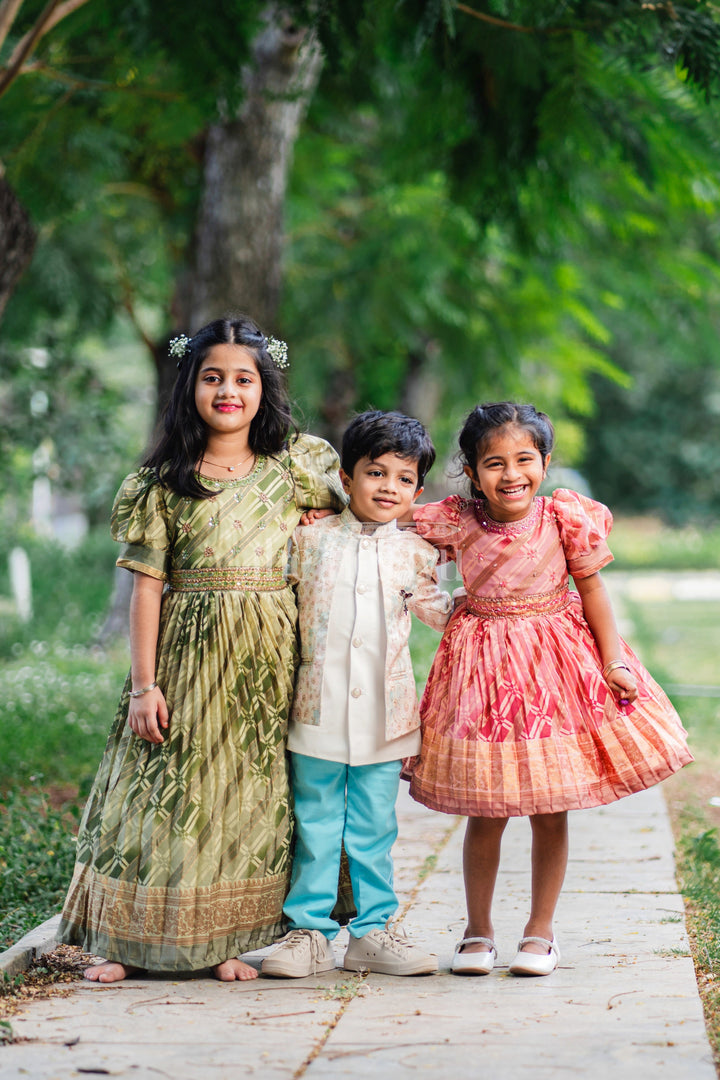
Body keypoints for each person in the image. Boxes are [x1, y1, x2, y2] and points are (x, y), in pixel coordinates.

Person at [58, 315, 346, 984]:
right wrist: (142, 683)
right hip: (186, 654)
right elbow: (147, 589)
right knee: (161, 786)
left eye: (243, 379)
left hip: (268, 656)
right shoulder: (165, 480)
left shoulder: (294, 466)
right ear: (190, 384)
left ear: (263, 389)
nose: (228, 390)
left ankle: (226, 940)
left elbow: (359, 508)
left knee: (249, 793)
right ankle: (127, 944)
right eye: (213, 377)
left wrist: (325, 517)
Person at [409, 402, 693, 977]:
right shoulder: (458, 520)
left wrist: (614, 660)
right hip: (481, 675)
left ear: (544, 462)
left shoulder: (563, 517)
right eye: (494, 463)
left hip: (555, 673)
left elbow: (593, 592)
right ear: (470, 469)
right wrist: (326, 508)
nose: (510, 474)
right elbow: (386, 515)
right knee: (484, 809)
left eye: (524, 459)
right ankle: (478, 930)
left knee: (550, 807)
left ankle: (540, 931)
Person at [261, 410, 453, 979]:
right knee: (316, 826)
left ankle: (373, 932)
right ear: (346, 479)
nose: (388, 487)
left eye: (403, 478)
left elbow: (438, 614)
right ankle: (309, 933)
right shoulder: (307, 540)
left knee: (374, 829)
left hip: (385, 718)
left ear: (418, 490)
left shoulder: (417, 553)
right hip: (314, 711)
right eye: (375, 473)